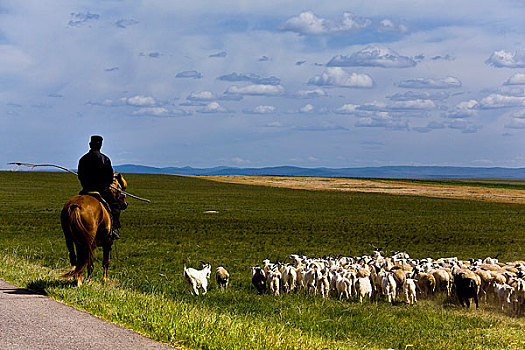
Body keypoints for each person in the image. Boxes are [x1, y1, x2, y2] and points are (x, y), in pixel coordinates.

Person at [77, 135, 121, 240]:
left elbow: (80, 176)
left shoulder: (83, 159)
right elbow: (110, 179)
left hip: (86, 190)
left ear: (90, 144)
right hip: (102, 191)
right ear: (100, 145)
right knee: (115, 206)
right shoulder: (105, 159)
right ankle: (112, 230)